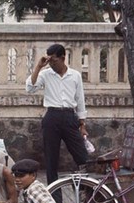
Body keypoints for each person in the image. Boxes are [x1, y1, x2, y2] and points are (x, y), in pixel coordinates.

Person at [26, 43, 89, 188]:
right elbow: (30, 88)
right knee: (51, 159)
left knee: (82, 156)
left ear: (62, 58)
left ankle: (84, 189)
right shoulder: (45, 74)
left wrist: (82, 124)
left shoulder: (75, 75)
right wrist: (39, 66)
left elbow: (80, 100)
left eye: (54, 61)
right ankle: (55, 197)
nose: (52, 64)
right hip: (52, 116)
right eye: (50, 61)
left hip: (69, 116)